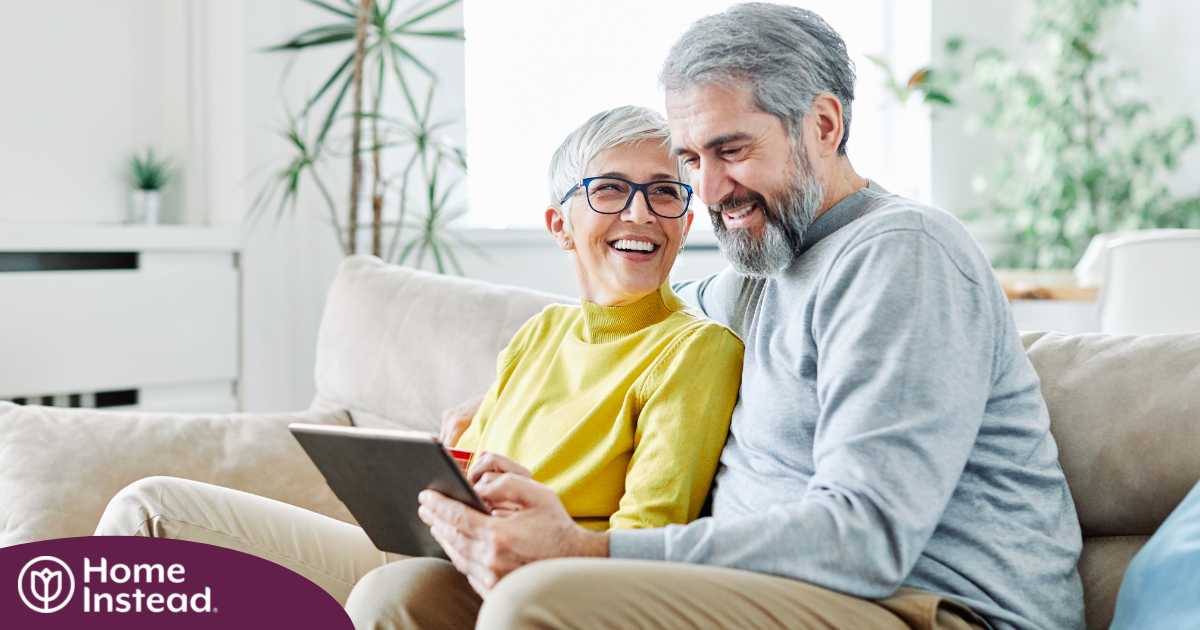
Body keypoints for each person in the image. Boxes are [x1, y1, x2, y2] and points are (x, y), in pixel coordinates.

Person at [415, 5, 1085, 630]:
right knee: (409, 597)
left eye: (731, 150)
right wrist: (506, 399)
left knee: (536, 601)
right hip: (790, 593)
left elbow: (866, 537)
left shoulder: (901, 255)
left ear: (823, 126)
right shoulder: (761, 269)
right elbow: (625, 327)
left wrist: (589, 550)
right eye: (691, 160)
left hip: (930, 606)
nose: (706, 191)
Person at [93, 105, 744, 621]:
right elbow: (486, 464)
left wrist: (540, 518)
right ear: (559, 223)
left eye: (666, 193)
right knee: (149, 507)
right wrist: (451, 457)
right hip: (431, 545)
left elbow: (648, 542)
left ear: (688, 221)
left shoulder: (696, 349)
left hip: (524, 580)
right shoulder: (543, 331)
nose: (641, 213)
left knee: (391, 593)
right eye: (610, 190)